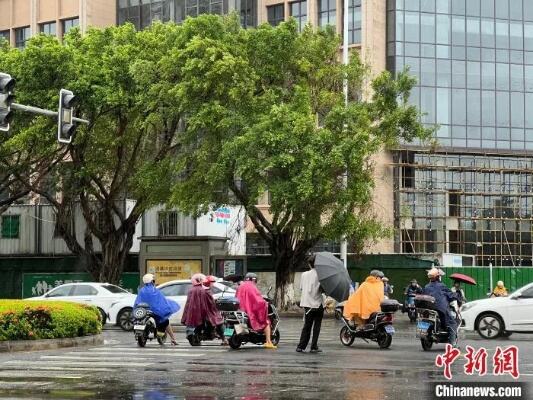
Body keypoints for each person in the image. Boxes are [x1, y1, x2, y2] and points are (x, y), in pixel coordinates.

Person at [181, 273, 228, 345]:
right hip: (205, 312)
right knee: (219, 321)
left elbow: (188, 304)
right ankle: (224, 339)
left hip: (194, 314)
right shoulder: (204, 290)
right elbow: (210, 303)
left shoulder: (191, 290)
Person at [134, 273, 179, 345]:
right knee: (165, 320)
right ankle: (173, 339)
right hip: (155, 313)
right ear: (152, 282)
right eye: (153, 281)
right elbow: (162, 302)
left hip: (143, 312)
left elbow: (137, 302)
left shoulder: (141, 290)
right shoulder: (155, 290)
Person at [236, 273, 276, 349]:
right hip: (250, 311)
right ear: (254, 279)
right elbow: (258, 300)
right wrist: (265, 303)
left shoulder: (240, 286)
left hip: (240, 311)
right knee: (266, 322)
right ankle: (268, 342)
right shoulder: (252, 287)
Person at [423, 268, 460, 348]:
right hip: (440, 309)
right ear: (437, 277)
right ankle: (453, 344)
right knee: (452, 323)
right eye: (439, 276)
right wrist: (457, 295)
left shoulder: (426, 287)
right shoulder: (442, 286)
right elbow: (450, 295)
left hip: (428, 309)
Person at [296, 256, 324, 353]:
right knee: (317, 326)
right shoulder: (321, 275)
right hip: (318, 304)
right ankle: (314, 346)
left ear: (309, 264)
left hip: (307, 304)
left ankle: (301, 346)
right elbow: (322, 290)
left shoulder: (304, 275)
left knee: (307, 326)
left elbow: (301, 288)